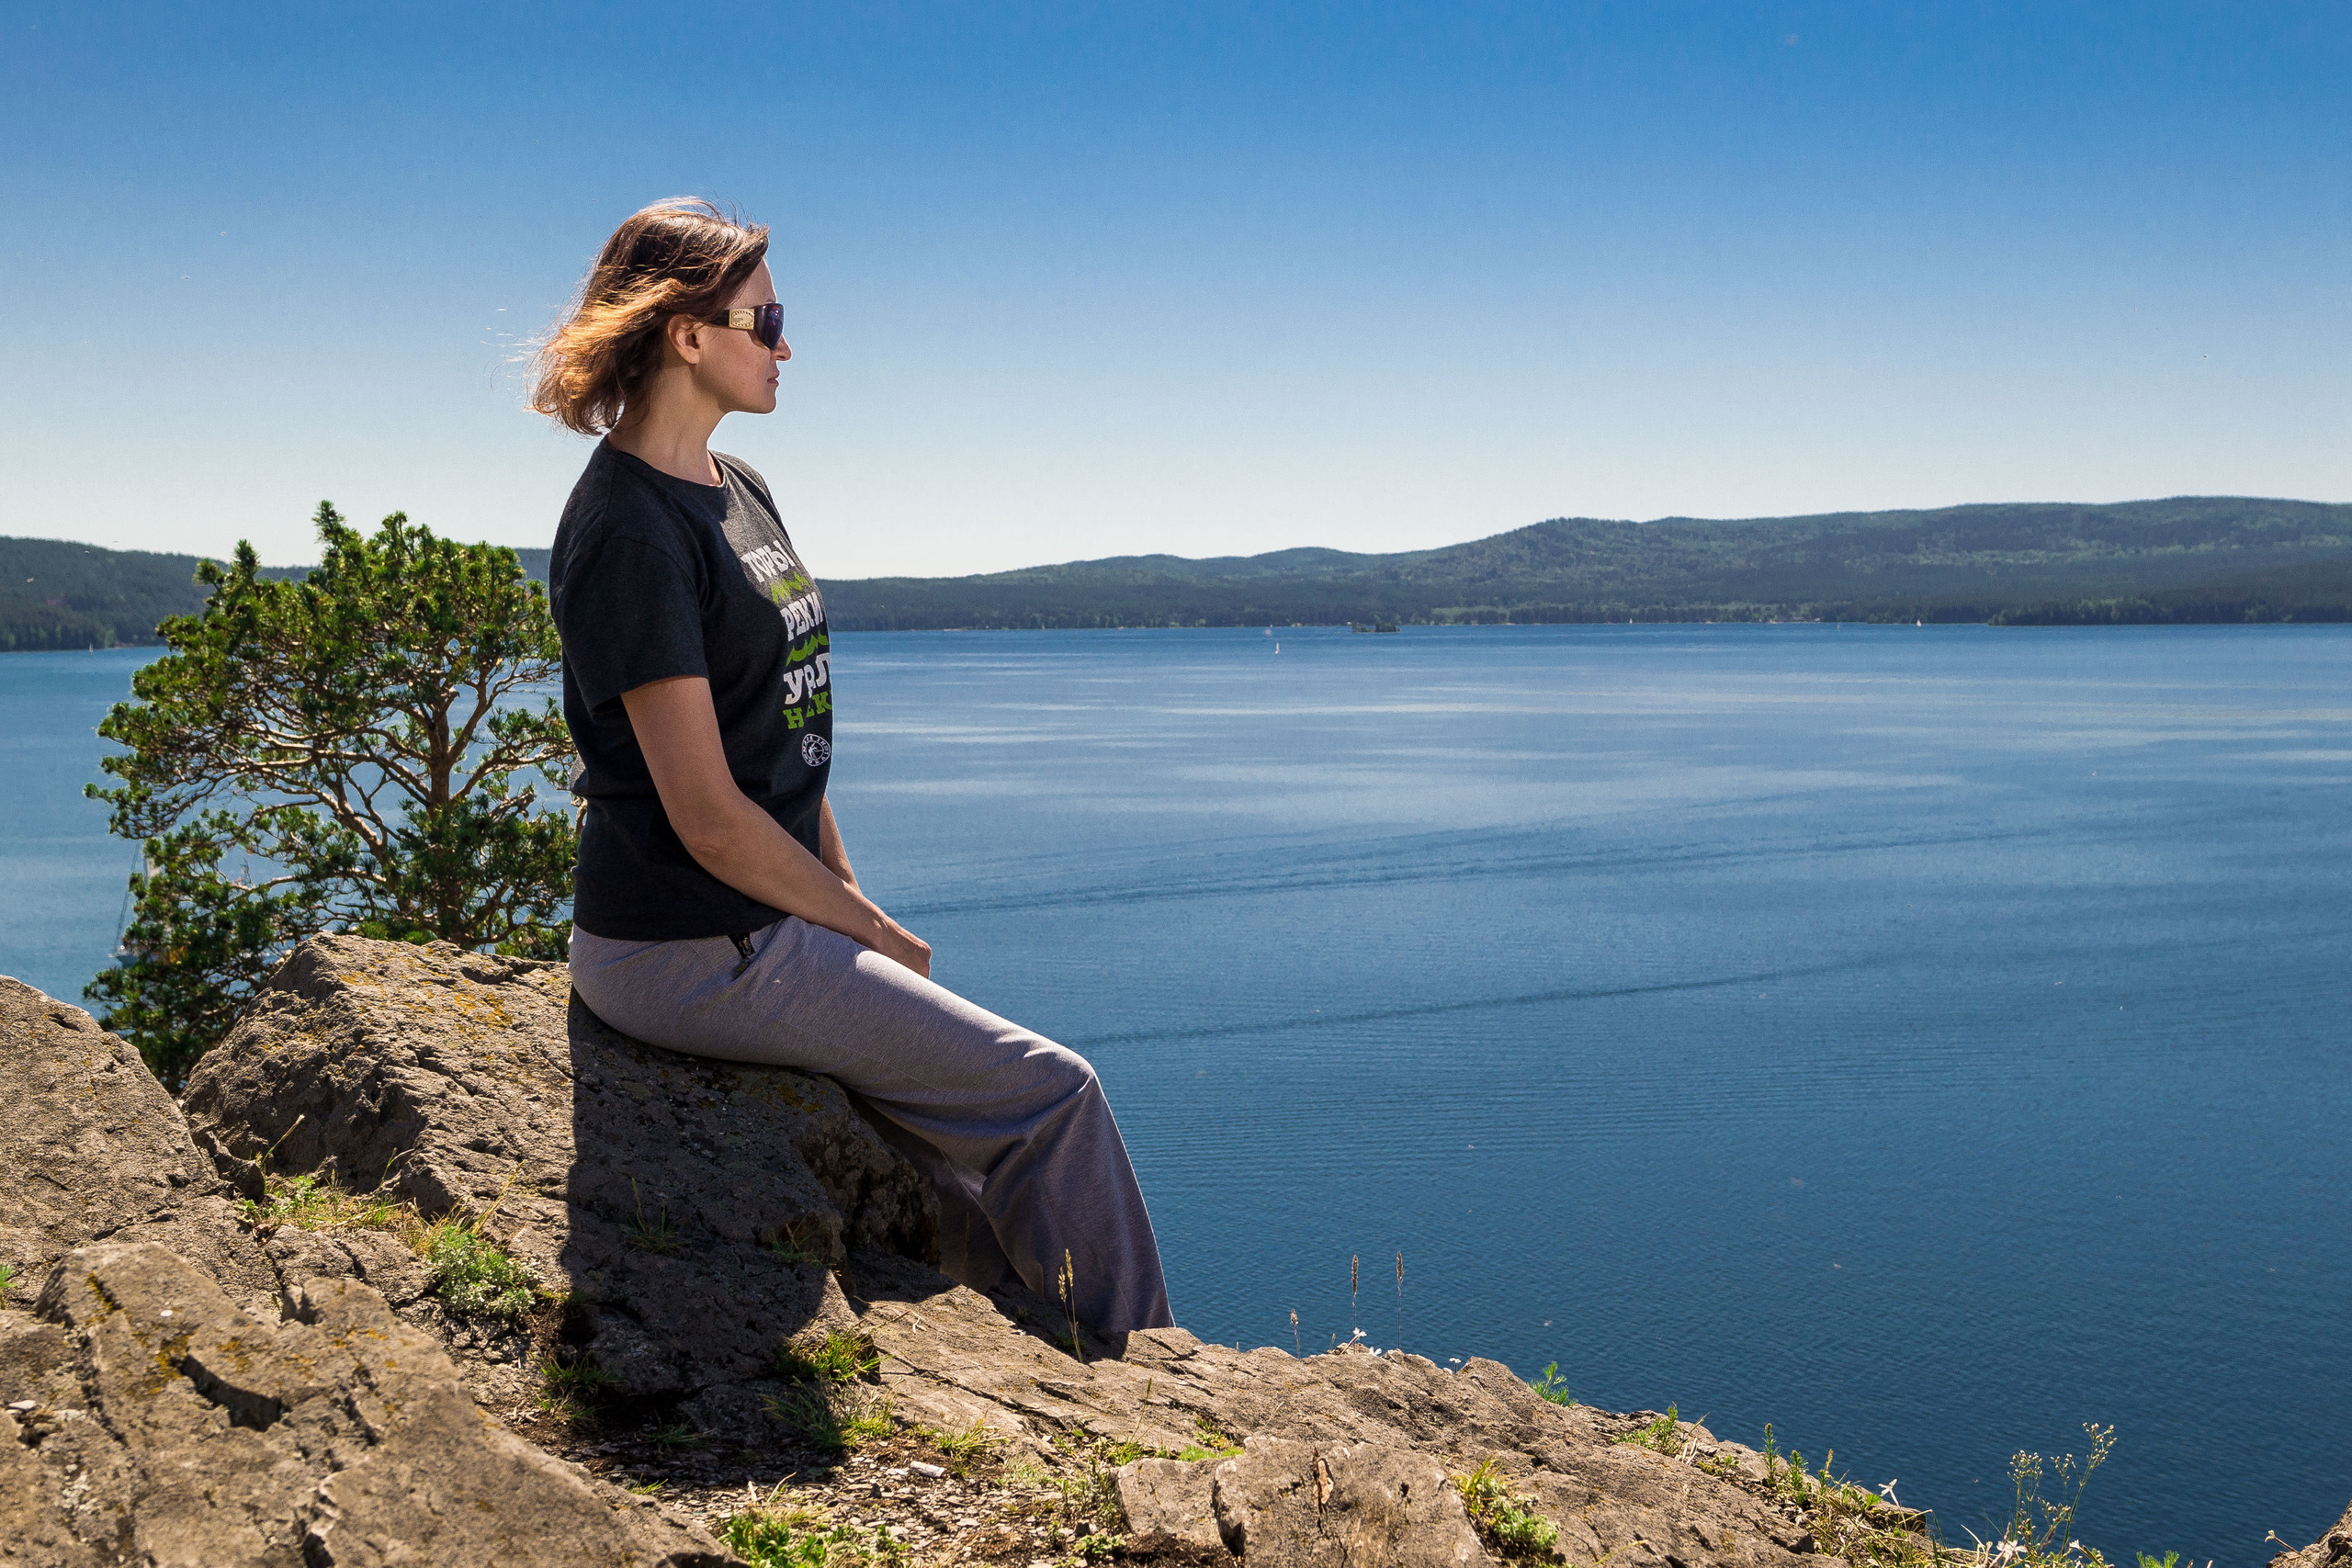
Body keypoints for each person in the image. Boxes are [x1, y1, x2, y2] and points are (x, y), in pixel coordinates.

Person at [531, 198, 1171, 1332]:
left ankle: (1043, 1348)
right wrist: (865, 937)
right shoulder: (631, 531)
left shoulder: (737, 491)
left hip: (751, 924)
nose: (786, 345)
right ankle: (1153, 1374)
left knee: (948, 1151)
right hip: (683, 946)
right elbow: (708, 814)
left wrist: (852, 907)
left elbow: (785, 747)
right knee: (1053, 1097)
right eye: (764, 319)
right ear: (688, 334)